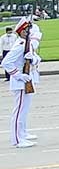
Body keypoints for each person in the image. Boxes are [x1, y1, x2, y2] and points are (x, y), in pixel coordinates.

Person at [2, 16, 39, 148]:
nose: (30, 32)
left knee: (24, 110)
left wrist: (32, 59)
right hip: (20, 82)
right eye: (28, 29)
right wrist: (19, 75)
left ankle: (22, 133)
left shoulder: (26, 44)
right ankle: (17, 139)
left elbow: (35, 59)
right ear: (23, 31)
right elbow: (6, 62)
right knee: (18, 111)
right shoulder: (20, 45)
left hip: (27, 81)